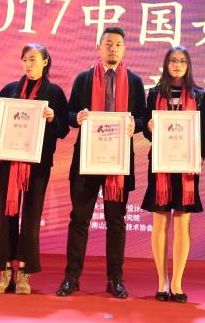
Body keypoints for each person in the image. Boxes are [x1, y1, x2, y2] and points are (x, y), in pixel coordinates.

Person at [56, 27, 146, 299]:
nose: (113, 48)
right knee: (79, 219)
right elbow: (68, 113)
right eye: (108, 43)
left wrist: (134, 124)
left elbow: (143, 118)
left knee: (116, 221)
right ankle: (71, 277)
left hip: (118, 161)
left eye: (118, 44)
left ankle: (115, 279)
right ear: (98, 47)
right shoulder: (84, 79)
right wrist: (77, 117)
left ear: (124, 49)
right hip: (87, 159)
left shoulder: (134, 81)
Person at [0, 43, 69, 295]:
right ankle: (5, 270)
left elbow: (63, 130)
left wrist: (53, 118)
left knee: (31, 217)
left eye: (34, 59)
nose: (29, 64)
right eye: (25, 59)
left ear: (45, 62)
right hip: (9, 162)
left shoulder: (54, 93)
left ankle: (24, 272)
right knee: (7, 215)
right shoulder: (9, 90)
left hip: (38, 164)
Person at [141, 46, 205, 303]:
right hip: (160, 165)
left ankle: (177, 282)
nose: (177, 64)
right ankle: (162, 281)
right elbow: (148, 132)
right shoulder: (154, 93)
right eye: (173, 60)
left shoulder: (199, 96)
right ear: (166, 64)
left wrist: (197, 158)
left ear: (188, 65)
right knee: (160, 223)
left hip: (186, 166)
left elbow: (203, 132)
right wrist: (149, 127)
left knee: (182, 224)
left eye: (182, 61)